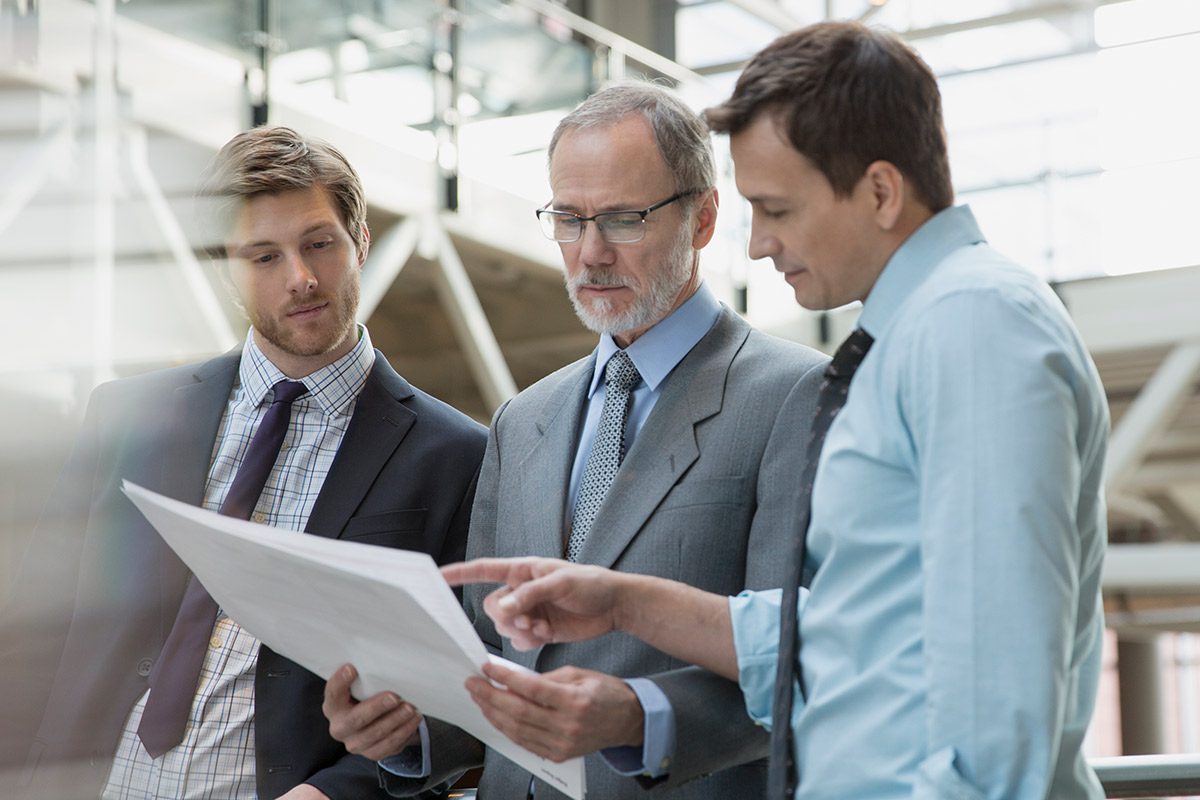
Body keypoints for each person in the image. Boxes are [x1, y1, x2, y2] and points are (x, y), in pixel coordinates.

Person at [443, 21, 1110, 800]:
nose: (758, 244)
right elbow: (845, 638)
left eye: (779, 208)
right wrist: (622, 599)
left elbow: (1000, 692)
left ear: (881, 192)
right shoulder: (922, 333)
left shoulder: (971, 327)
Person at [322, 82, 827, 799]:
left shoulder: (795, 396)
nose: (590, 254)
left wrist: (638, 719)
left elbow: (809, 663)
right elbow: (491, 663)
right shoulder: (523, 419)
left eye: (623, 219)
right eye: (568, 218)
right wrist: (411, 731)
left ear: (704, 218)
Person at [0, 126, 487, 800]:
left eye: (320, 244)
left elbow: (469, 694)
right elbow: (32, 637)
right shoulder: (127, 415)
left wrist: (336, 794)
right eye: (264, 256)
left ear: (361, 241)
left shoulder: (459, 455)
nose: (302, 278)